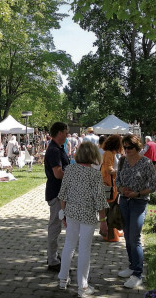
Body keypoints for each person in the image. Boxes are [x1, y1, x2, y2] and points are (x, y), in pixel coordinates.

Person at [57, 142, 109, 296]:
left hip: (71, 213)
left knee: (69, 245)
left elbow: (62, 194)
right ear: (93, 155)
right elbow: (99, 200)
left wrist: (64, 213)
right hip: (87, 216)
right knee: (84, 249)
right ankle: (83, 287)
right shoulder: (94, 174)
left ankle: (62, 279)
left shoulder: (70, 169)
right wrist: (103, 220)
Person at [116, 134, 156, 289]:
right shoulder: (122, 161)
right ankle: (132, 266)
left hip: (139, 202)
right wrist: (121, 188)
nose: (127, 150)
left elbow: (154, 186)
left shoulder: (146, 163)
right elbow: (118, 180)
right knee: (127, 236)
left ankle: (138, 274)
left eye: (130, 147)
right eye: (125, 147)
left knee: (135, 238)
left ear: (138, 147)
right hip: (124, 202)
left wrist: (138, 193)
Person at [44, 122, 70, 272]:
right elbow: (58, 173)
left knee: (56, 226)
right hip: (56, 193)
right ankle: (53, 260)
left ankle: (53, 255)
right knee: (55, 227)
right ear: (60, 133)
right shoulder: (54, 150)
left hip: (60, 192)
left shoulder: (58, 148)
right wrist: (74, 174)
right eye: (65, 132)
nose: (66, 135)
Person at [100, 134, 123, 242]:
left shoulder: (111, 153)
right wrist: (120, 172)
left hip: (111, 185)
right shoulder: (109, 153)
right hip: (109, 186)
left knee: (111, 208)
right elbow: (109, 170)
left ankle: (113, 232)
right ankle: (110, 235)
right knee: (110, 209)